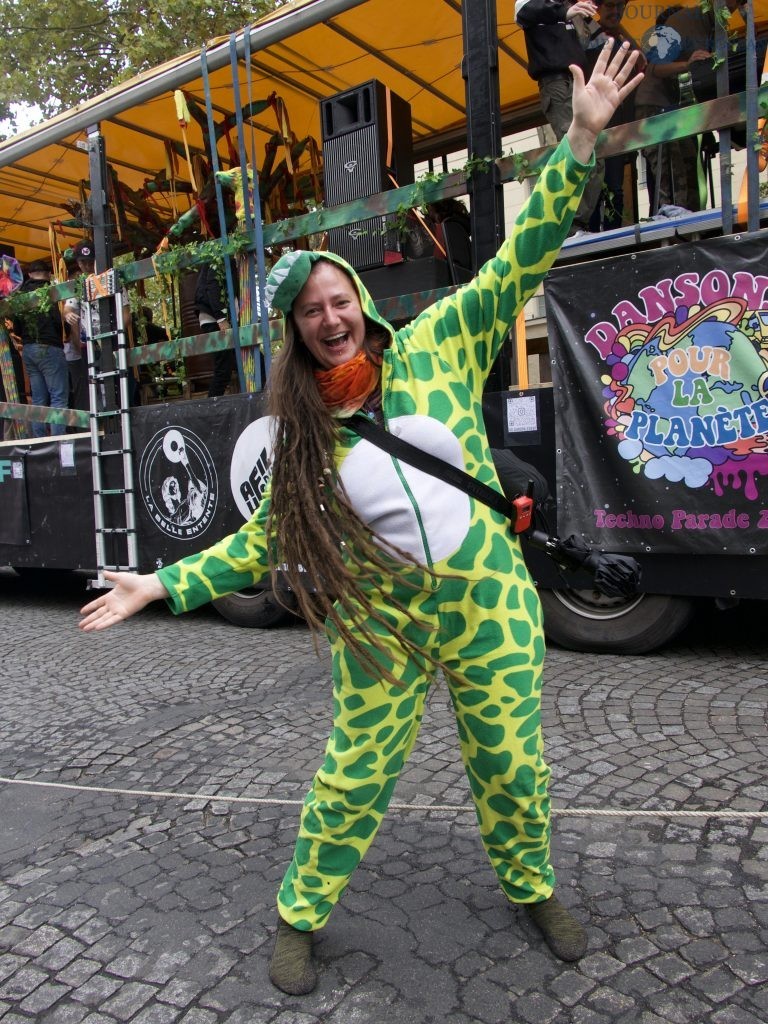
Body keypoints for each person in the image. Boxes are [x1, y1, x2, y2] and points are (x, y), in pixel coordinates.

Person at [79, 42, 641, 997]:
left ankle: (533, 885)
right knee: (352, 777)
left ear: (361, 302)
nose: (330, 319)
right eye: (310, 313)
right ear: (297, 332)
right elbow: (263, 541)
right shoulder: (299, 431)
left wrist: (579, 140)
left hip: (486, 599)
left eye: (338, 300)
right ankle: (300, 914)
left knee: (511, 760)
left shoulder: (439, 341)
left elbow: (519, 260)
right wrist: (160, 582)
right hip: (379, 621)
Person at [515, 0, 605, 235]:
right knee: (577, 149)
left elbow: (600, 34)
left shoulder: (570, 7)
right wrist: (566, 11)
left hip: (577, 83)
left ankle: (576, 224)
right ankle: (569, 226)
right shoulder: (535, 6)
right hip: (555, 83)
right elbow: (522, 11)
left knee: (595, 154)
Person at [584, 0, 645, 230]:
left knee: (615, 186)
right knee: (593, 186)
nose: (616, 11)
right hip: (594, 124)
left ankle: (613, 238)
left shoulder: (618, 38)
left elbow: (641, 60)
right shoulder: (590, 33)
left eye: (620, 6)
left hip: (617, 125)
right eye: (610, 5)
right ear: (598, 7)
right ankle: (591, 238)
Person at [14, 261, 70, 438]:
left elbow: (16, 327)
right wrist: (66, 331)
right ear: (48, 274)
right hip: (49, 347)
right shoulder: (48, 292)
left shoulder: (20, 296)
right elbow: (57, 321)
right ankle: (58, 439)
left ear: (29, 274)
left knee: (38, 398)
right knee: (58, 396)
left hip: (29, 349)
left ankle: (39, 440)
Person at [194, 261, 238, 398]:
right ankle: (210, 410)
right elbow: (213, 285)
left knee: (249, 360)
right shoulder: (219, 255)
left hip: (219, 319)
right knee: (223, 370)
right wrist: (221, 318)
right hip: (215, 319)